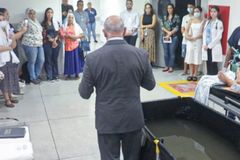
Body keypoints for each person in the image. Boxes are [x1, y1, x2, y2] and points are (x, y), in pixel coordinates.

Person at [79, 15, 156, 160]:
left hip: (107, 120)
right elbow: (150, 85)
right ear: (125, 30)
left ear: (103, 32)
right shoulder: (141, 54)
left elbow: (84, 93)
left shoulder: (93, 58)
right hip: (133, 118)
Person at [0, 13, 20, 107]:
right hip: (2, 58)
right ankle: (7, 99)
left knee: (10, 76)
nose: (3, 18)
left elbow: (13, 45)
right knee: (4, 79)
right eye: (1, 17)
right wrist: (9, 48)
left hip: (10, 56)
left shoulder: (7, 28)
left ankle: (10, 96)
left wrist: (13, 39)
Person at [22, 8, 45, 84]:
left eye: (34, 13)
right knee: (32, 61)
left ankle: (37, 74)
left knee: (41, 60)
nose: (32, 15)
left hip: (39, 43)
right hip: (30, 44)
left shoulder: (37, 21)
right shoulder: (26, 21)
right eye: (30, 13)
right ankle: (33, 77)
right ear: (27, 14)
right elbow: (20, 31)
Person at [61, 13, 84, 79]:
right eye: (69, 17)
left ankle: (77, 74)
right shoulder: (64, 26)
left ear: (73, 18)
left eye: (71, 17)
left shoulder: (76, 26)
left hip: (75, 45)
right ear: (67, 18)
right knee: (68, 60)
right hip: (67, 46)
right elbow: (62, 35)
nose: (70, 19)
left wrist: (75, 37)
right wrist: (67, 36)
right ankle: (68, 74)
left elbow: (82, 35)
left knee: (76, 60)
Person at [185, 6, 205, 81]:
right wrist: (187, 36)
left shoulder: (203, 21)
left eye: (197, 11)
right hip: (190, 41)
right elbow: (186, 30)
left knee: (197, 56)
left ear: (200, 12)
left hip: (198, 40)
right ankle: (190, 73)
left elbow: (202, 33)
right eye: (195, 11)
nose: (196, 13)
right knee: (190, 56)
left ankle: (195, 73)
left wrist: (194, 38)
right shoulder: (191, 20)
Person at [202, 6, 223, 75]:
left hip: (213, 46)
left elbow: (218, 37)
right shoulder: (208, 22)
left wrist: (209, 46)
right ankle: (208, 78)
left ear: (217, 13)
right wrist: (205, 44)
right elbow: (204, 33)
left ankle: (214, 80)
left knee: (213, 64)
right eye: (211, 11)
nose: (212, 13)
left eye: (214, 11)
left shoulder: (219, 23)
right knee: (208, 63)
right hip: (206, 46)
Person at [42, 8, 61, 81]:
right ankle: (49, 76)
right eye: (48, 12)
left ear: (53, 14)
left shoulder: (56, 22)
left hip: (56, 43)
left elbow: (59, 32)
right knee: (48, 59)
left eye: (51, 12)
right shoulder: (43, 23)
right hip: (47, 43)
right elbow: (44, 34)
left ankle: (55, 75)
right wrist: (52, 40)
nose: (49, 14)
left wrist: (55, 40)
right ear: (46, 14)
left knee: (54, 59)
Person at [161, 3, 180, 73]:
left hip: (174, 37)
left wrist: (171, 33)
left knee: (172, 52)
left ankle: (171, 66)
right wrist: (168, 33)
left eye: (171, 8)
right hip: (165, 36)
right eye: (168, 8)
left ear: (173, 9)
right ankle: (166, 66)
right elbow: (162, 26)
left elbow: (177, 27)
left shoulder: (176, 17)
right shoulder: (164, 17)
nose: (169, 9)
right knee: (166, 52)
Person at [181, 3, 194, 75]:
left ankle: (191, 71)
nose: (190, 8)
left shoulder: (195, 18)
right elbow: (182, 28)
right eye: (188, 7)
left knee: (191, 55)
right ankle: (185, 70)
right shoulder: (184, 17)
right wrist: (185, 35)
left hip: (192, 39)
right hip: (185, 40)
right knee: (185, 55)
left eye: (191, 7)